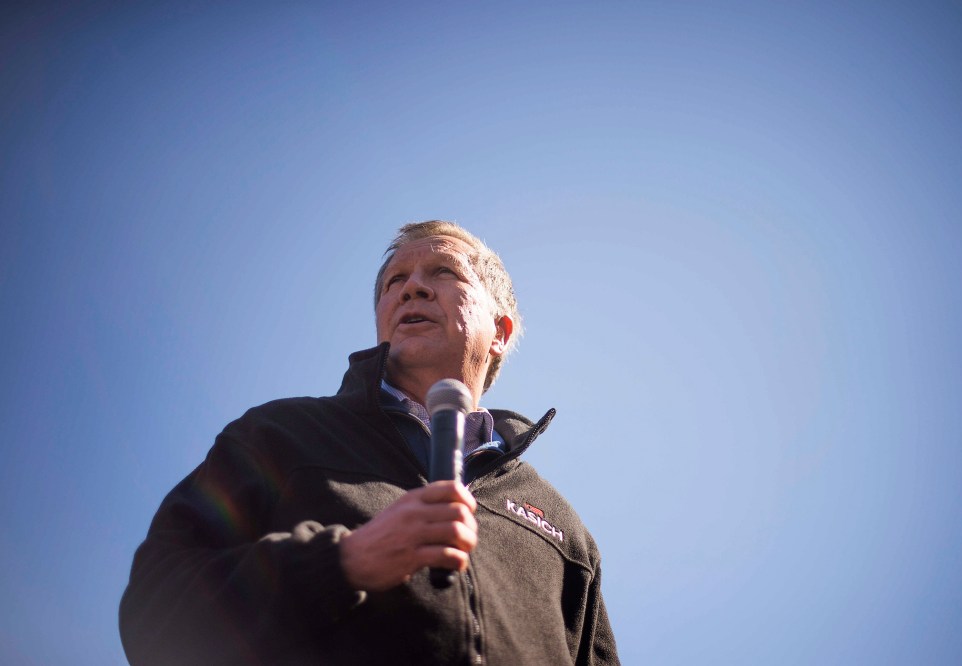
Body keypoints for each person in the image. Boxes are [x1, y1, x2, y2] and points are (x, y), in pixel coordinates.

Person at [119, 220, 620, 665]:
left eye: (443, 273)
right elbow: (156, 612)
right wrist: (342, 562)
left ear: (501, 334)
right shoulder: (278, 437)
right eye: (394, 282)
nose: (412, 289)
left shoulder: (562, 527)